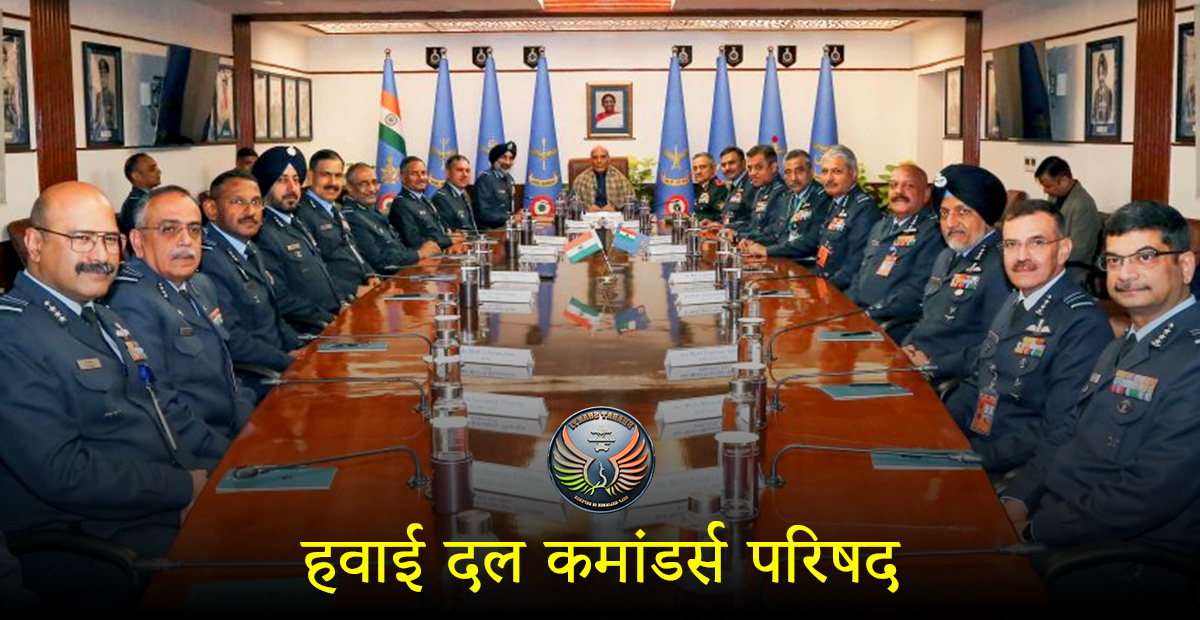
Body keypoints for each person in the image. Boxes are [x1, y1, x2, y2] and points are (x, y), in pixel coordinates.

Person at [0, 181, 208, 607]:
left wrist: (220, 472)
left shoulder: (101, 317)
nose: (100, 255)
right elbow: (62, 473)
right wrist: (181, 489)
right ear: (35, 244)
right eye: (81, 238)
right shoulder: (12, 336)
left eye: (109, 239)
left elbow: (160, 409)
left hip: (155, 507)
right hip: (91, 538)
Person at [1001, 201, 1200, 601]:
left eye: (1145, 257)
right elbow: (1067, 433)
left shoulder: (1191, 362)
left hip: (1123, 560)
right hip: (1065, 520)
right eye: (1114, 260)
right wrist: (1018, 497)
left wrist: (1038, 527)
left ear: (1185, 266)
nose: (1125, 274)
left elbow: (1146, 496)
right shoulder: (1125, 343)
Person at [943, 199, 1110, 479]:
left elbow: (1056, 427)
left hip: (1010, 468)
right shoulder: (1015, 299)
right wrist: (943, 429)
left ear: (1063, 250)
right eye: (1011, 244)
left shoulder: (1082, 323)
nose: (1021, 256)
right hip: (973, 444)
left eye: (1037, 243)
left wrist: (973, 457)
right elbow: (978, 378)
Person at [107, 186, 257, 442]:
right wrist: (231, 454)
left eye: (194, 229)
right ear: (137, 242)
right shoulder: (131, 300)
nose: (186, 240)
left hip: (236, 427)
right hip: (202, 448)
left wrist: (253, 424)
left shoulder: (201, 284)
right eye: (169, 229)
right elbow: (162, 408)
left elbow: (228, 375)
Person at [902, 164, 1011, 383]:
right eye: (944, 213)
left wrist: (932, 366)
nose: (950, 223)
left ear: (985, 214)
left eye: (963, 212)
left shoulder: (1001, 265)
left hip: (951, 380)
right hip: (915, 366)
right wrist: (905, 348)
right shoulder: (946, 256)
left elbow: (995, 345)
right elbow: (928, 319)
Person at [199, 169, 301, 382]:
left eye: (256, 202)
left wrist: (298, 346)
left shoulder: (249, 248)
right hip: (256, 378)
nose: (250, 211)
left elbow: (273, 314)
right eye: (237, 202)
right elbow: (232, 339)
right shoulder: (208, 261)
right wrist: (287, 361)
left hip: (280, 362)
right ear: (211, 209)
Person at [745, 145, 880, 290]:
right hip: (819, 278)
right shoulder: (837, 202)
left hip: (838, 290)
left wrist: (820, 289)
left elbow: (854, 266)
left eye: (837, 172)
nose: (829, 178)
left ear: (853, 173)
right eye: (825, 171)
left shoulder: (863, 209)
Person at [846, 163, 946, 343]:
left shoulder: (933, 233)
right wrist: (846, 305)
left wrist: (869, 313)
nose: (899, 191)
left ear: (925, 194)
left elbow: (915, 291)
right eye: (893, 185)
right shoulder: (880, 226)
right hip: (859, 315)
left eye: (909, 186)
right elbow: (860, 274)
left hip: (890, 325)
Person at [251, 145, 343, 334]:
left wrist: (342, 303)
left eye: (295, 179)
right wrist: (328, 318)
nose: (292, 188)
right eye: (282, 180)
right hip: (309, 331)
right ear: (265, 185)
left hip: (331, 319)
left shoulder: (295, 222)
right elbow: (280, 298)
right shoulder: (263, 233)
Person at [295, 149, 372, 300]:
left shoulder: (334, 210)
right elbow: (313, 271)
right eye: (326, 175)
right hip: (340, 298)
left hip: (362, 289)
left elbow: (352, 250)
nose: (333, 182)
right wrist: (354, 290)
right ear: (311, 176)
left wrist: (370, 275)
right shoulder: (302, 214)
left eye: (338, 176)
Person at [342, 162, 439, 274]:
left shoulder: (372, 211)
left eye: (374, 182)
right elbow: (380, 262)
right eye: (364, 184)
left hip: (404, 272)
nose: (372, 189)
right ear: (349, 187)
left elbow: (398, 247)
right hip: (387, 279)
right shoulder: (352, 218)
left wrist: (425, 249)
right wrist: (420, 253)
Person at [1034, 156, 1102, 285]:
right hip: (1054, 258)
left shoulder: (1083, 205)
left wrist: (1046, 252)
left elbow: (1079, 251)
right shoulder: (1055, 196)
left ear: (1064, 180)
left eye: (1048, 186)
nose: (1045, 191)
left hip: (1074, 267)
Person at [388, 156, 462, 252]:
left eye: (423, 173)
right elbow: (413, 241)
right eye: (414, 174)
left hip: (439, 252)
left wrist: (450, 236)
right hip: (421, 258)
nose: (421, 178)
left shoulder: (424, 199)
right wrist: (447, 240)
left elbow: (436, 230)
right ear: (403, 178)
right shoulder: (401, 204)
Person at [729, 144, 788, 245]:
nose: (752, 173)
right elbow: (753, 225)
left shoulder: (781, 192)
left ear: (773, 167)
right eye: (750, 168)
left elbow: (772, 232)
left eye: (759, 168)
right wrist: (728, 228)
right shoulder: (761, 189)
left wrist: (738, 235)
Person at [570, 145, 635, 213]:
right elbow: (570, 204)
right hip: (589, 218)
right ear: (591, 160)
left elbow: (635, 203)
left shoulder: (621, 179)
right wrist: (586, 209)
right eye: (595, 158)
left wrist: (616, 208)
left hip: (613, 217)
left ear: (608, 159)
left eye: (603, 157)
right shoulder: (580, 179)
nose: (599, 161)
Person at [703, 146, 750, 230]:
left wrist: (726, 227)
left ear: (744, 163)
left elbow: (752, 220)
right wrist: (716, 223)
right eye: (723, 165)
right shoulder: (734, 185)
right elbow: (731, 216)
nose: (727, 168)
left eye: (731, 163)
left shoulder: (751, 185)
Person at [432, 154, 480, 236]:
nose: (465, 174)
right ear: (448, 173)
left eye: (467, 171)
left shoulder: (464, 195)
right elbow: (448, 233)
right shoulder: (441, 198)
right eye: (459, 170)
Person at [473, 141, 517, 229]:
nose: (508, 162)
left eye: (511, 158)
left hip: (505, 228)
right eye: (504, 157)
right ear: (494, 159)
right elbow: (483, 214)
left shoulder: (509, 179)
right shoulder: (485, 179)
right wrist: (511, 218)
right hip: (488, 230)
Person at [117, 153, 162, 235]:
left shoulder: (146, 199)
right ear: (136, 176)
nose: (159, 171)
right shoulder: (137, 205)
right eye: (152, 169)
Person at [691, 152, 728, 221]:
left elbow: (720, 215)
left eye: (702, 167)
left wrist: (693, 218)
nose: (698, 172)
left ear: (713, 168)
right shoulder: (693, 189)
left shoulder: (719, 189)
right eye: (695, 168)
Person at [1092, 52, 1114, 125]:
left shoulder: (1108, 92)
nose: (1101, 77)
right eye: (1099, 73)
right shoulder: (1096, 93)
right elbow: (1095, 110)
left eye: (1102, 74)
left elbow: (1109, 110)